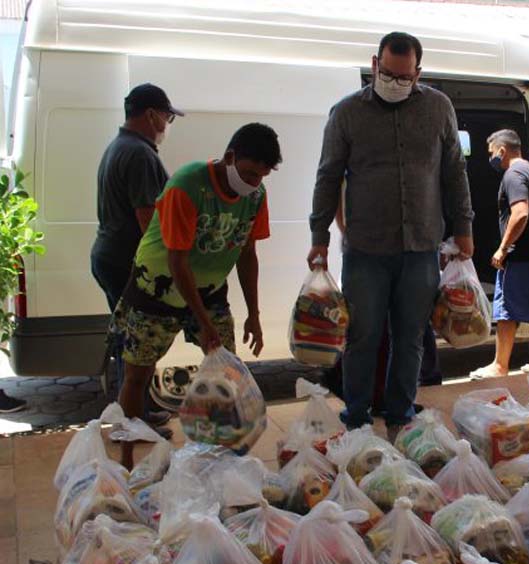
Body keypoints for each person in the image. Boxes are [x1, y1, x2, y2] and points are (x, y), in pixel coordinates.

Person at [309, 32, 473, 431]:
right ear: (375, 64)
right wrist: (319, 238)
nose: (395, 82)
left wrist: (464, 226)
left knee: (411, 337)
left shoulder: (438, 108)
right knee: (363, 337)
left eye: (404, 77)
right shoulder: (346, 113)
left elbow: (454, 170)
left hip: (421, 247)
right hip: (366, 249)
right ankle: (357, 416)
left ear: (418, 73)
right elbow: (328, 176)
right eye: (387, 73)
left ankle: (400, 412)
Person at [112, 123, 281, 423]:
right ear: (230, 157)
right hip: (156, 286)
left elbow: (247, 253)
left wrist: (254, 314)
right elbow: (178, 261)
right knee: (138, 374)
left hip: (209, 288)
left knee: (227, 371)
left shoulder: (255, 196)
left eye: (262, 177)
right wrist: (203, 323)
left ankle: (223, 452)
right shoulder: (187, 185)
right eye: (249, 174)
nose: (254, 183)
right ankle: (126, 454)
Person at [91, 83, 182, 426]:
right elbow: (149, 220)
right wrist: (170, 264)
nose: (167, 124)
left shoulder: (122, 146)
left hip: (111, 256)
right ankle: (132, 422)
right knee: (135, 343)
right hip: (125, 262)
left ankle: (140, 409)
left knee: (134, 340)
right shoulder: (140, 154)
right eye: (168, 116)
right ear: (151, 115)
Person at [470, 129, 529, 379]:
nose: (491, 159)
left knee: (506, 312)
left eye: (491, 154)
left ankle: (500, 366)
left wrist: (503, 248)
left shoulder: (513, 174)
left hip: (524, 258)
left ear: (502, 150)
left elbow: (520, 213)